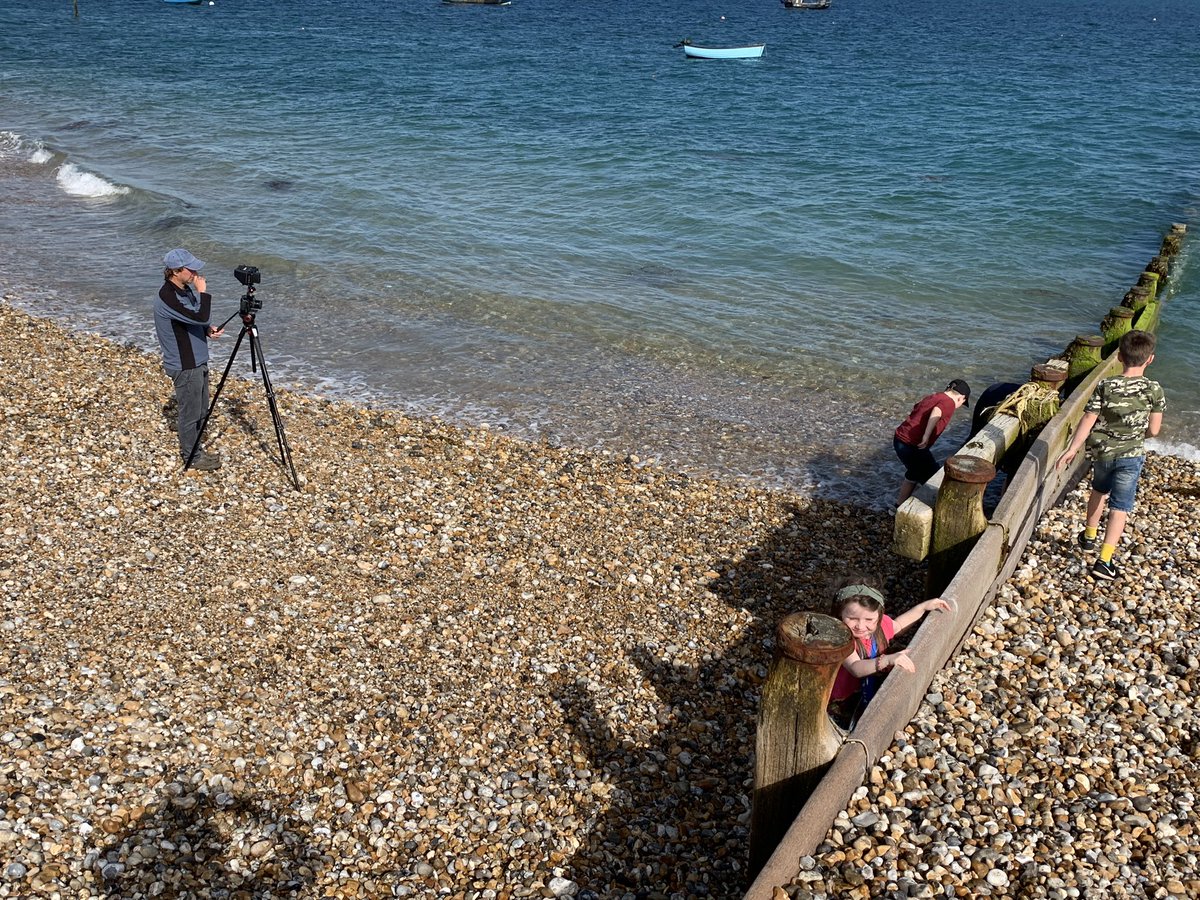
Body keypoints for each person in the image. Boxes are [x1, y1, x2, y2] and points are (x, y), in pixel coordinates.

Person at [1055, 330, 1165, 580]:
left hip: (1102, 452)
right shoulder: (1153, 389)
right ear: (1150, 359)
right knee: (1120, 506)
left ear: (1119, 356)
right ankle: (1104, 561)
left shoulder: (1106, 385)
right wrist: (1138, 435)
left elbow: (1088, 419)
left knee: (1099, 490)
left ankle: (1089, 536)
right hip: (1131, 455)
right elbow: (1155, 430)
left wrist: (1072, 449)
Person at [826, 576, 952, 729]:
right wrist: (886, 660)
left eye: (869, 619)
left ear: (879, 616)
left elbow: (898, 625)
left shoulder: (879, 627)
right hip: (840, 696)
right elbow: (855, 667)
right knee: (842, 723)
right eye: (852, 618)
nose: (861, 625)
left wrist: (922, 608)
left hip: (862, 688)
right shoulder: (841, 639)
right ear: (839, 615)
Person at [154, 248, 224, 471]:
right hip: (185, 365)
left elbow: (193, 319)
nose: (195, 272)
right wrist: (203, 293)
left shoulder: (183, 290)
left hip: (198, 360)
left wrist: (206, 330)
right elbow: (200, 314)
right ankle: (191, 457)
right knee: (190, 413)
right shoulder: (168, 296)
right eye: (190, 269)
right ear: (176, 271)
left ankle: (196, 450)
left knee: (202, 409)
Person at [893, 379, 971, 505]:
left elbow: (917, 408)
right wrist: (926, 436)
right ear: (961, 398)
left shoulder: (934, 396)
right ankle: (938, 509)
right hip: (912, 445)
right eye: (963, 402)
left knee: (914, 473)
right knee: (934, 480)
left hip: (900, 439)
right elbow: (936, 412)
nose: (960, 406)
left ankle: (899, 505)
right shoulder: (949, 402)